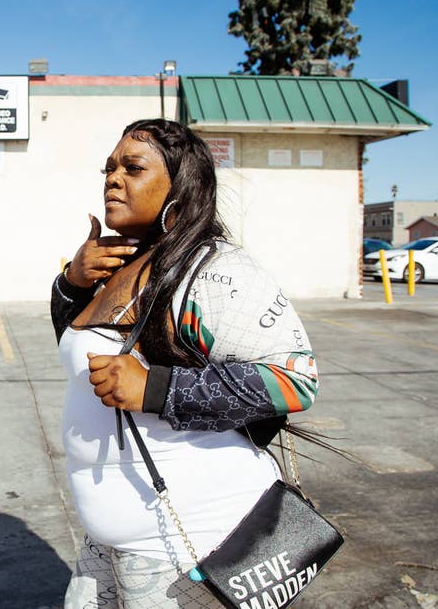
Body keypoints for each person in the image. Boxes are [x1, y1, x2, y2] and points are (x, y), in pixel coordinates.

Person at [51, 119, 319, 608]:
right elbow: (79, 360)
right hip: (111, 545)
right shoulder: (115, 264)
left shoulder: (216, 270)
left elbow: (295, 381)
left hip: (185, 547)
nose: (112, 178)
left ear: (182, 190)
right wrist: (71, 283)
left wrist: (154, 387)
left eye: (133, 168)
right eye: (109, 168)